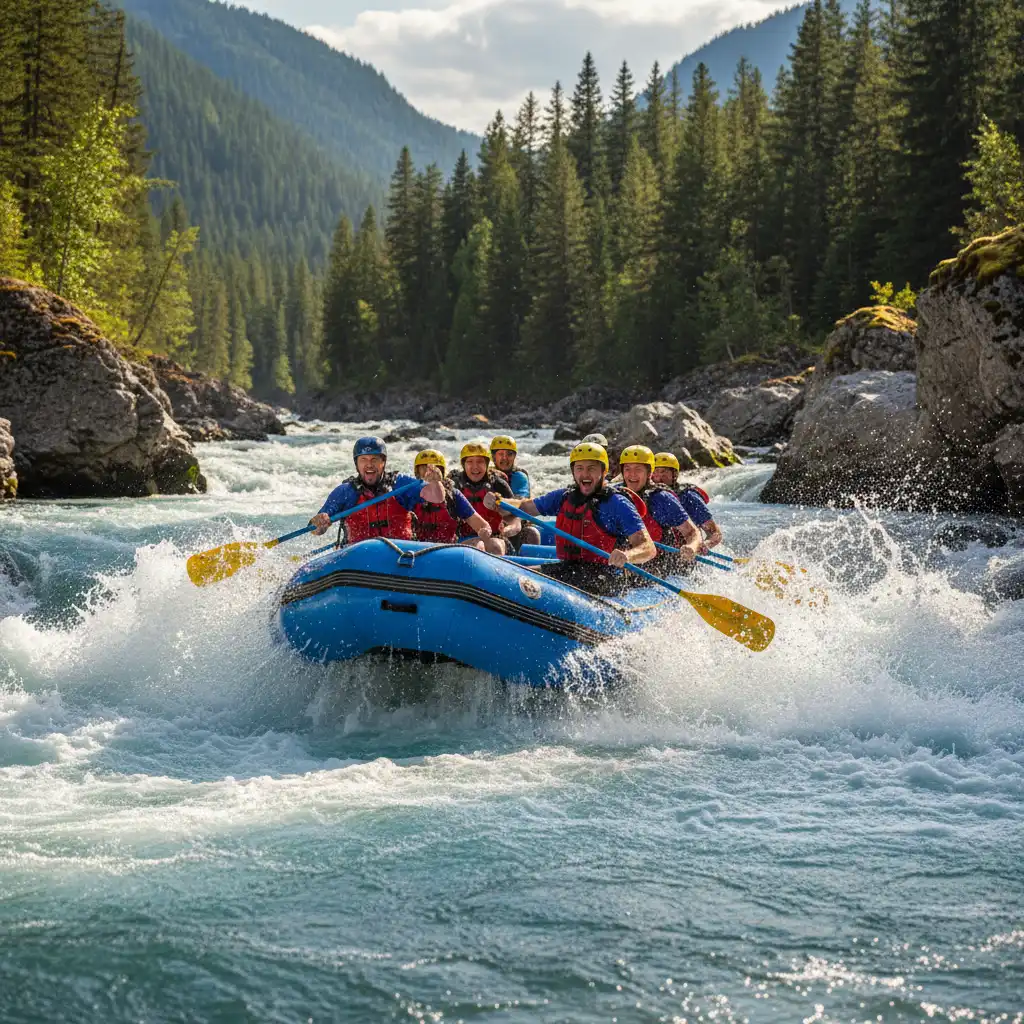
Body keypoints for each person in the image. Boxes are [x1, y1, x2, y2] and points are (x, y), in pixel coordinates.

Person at [485, 442, 656, 595]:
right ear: (573, 471)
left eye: (591, 468)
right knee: (517, 577)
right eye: (579, 468)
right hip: (569, 568)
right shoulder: (564, 496)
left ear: (603, 472)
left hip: (605, 576)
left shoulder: (617, 503)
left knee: (524, 580)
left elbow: (648, 547)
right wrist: (500, 501)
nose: (585, 474)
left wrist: (628, 555)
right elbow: (524, 507)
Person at [309, 436, 445, 542]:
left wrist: (435, 483)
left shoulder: (400, 483)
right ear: (356, 464)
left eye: (374, 459)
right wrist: (320, 522)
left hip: (402, 555)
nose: (369, 464)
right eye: (363, 459)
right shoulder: (345, 492)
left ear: (383, 462)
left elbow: (437, 497)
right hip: (359, 558)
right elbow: (315, 530)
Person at [617, 445, 702, 568]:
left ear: (649, 472)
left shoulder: (662, 498)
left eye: (638, 469)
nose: (632, 475)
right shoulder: (615, 494)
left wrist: (692, 547)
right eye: (627, 469)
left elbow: (692, 532)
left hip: (658, 565)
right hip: (627, 560)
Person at [411, 449, 496, 549]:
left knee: (479, 544)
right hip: (416, 548)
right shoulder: (409, 494)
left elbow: (482, 525)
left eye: (435, 468)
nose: (431, 473)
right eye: (425, 468)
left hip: (449, 550)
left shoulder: (453, 495)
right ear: (417, 473)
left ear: (442, 473)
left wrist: (485, 531)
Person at [449, 441, 520, 555]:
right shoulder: (454, 485)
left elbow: (514, 518)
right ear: (463, 464)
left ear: (487, 464)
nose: (475, 467)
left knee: (494, 545)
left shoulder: (498, 484)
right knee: (478, 544)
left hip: (496, 538)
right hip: (462, 539)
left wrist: (511, 528)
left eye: (480, 462)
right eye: (470, 462)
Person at [651, 451, 724, 549]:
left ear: (675, 474)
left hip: (683, 553)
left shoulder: (688, 497)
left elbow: (715, 533)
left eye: (663, 471)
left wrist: (704, 545)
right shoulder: (648, 495)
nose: (659, 477)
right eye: (655, 472)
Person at [489, 435, 542, 548]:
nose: (505, 458)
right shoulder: (485, 475)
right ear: (493, 457)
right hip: (491, 523)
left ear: (514, 457)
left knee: (532, 533)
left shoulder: (519, 476)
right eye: (501, 454)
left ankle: (528, 564)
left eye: (509, 454)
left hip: (516, 523)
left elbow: (520, 502)